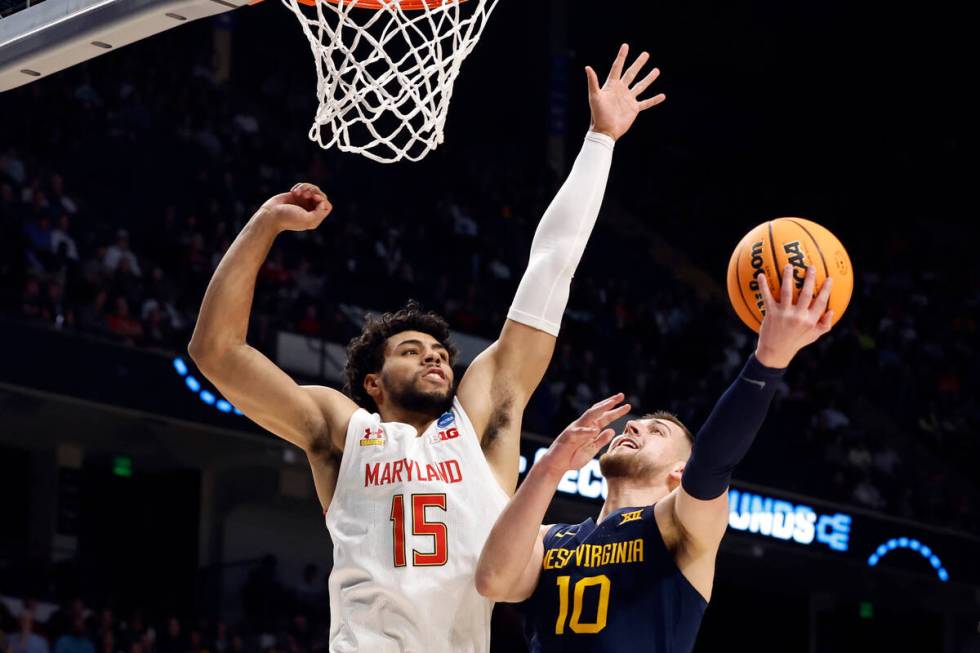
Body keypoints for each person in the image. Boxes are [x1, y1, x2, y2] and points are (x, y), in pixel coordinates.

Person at [189, 44, 665, 653]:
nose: (436, 357)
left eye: (439, 350)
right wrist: (265, 224)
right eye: (411, 351)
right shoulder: (344, 432)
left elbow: (550, 270)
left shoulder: (482, 425)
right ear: (372, 383)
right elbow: (218, 353)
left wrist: (600, 141)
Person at [475, 265, 835, 652]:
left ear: (679, 472)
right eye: (636, 424)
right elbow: (492, 580)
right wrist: (550, 468)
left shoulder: (677, 526)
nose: (633, 428)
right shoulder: (552, 539)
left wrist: (768, 360)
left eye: (656, 431)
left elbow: (712, 463)